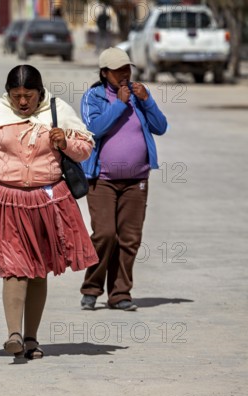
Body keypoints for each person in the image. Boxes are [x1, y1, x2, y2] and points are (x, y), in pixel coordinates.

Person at [0, 65, 98, 360]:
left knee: (37, 271)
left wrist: (66, 142)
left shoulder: (56, 111)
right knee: (14, 267)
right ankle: (13, 334)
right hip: (5, 202)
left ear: (40, 92)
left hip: (47, 202)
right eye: (16, 96)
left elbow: (85, 148)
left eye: (28, 95)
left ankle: (31, 338)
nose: (22, 102)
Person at [79, 47, 168, 311]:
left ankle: (120, 294)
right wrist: (119, 104)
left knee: (129, 238)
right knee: (105, 234)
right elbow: (94, 129)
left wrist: (147, 100)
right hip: (102, 179)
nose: (124, 74)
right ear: (105, 73)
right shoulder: (93, 96)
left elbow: (160, 127)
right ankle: (92, 288)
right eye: (118, 70)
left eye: (127, 69)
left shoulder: (139, 95)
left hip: (136, 179)